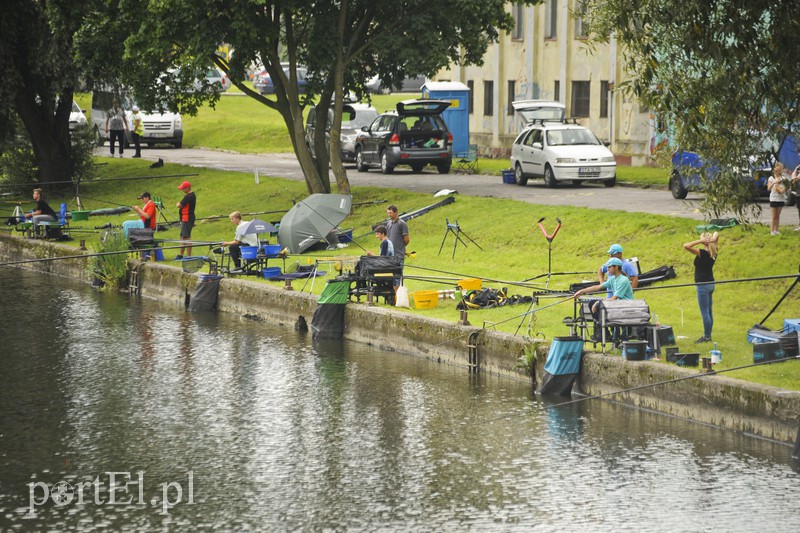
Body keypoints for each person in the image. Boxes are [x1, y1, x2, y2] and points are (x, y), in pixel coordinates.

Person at [574, 257, 634, 341]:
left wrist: (599, 302)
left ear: (616, 267)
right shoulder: (613, 279)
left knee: (598, 304)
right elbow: (598, 287)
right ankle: (603, 331)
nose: (607, 269)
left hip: (624, 306)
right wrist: (581, 291)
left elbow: (614, 298)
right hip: (616, 305)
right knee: (592, 302)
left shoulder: (623, 280)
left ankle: (611, 335)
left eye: (609, 267)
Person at [683, 231, 719, 344]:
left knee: (705, 312)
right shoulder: (715, 251)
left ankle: (707, 337)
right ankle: (708, 335)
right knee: (709, 311)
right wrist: (713, 238)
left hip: (702, 286)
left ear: (704, 241)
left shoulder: (702, 253)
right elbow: (717, 232)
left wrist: (700, 241)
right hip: (710, 284)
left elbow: (686, 246)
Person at [385, 205, 409, 292]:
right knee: (391, 276)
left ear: (396, 212)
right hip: (390, 256)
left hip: (399, 255)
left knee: (398, 276)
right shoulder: (388, 224)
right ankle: (393, 294)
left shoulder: (401, 223)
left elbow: (406, 239)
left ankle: (398, 295)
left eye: (390, 213)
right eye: (388, 213)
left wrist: (401, 247)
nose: (389, 215)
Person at [767, 162, 793, 235]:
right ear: (774, 170)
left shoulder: (784, 179)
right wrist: (774, 182)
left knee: (778, 215)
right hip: (773, 198)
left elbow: (788, 187)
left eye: (780, 170)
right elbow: (768, 188)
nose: (778, 172)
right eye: (777, 170)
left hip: (781, 198)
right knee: (773, 216)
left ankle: (776, 230)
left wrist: (784, 190)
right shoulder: (771, 178)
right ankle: (772, 231)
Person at [175, 181, 196, 259]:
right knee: (182, 237)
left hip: (187, 218)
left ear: (187, 188)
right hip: (185, 218)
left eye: (183, 188)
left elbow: (179, 205)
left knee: (186, 237)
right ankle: (180, 255)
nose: (182, 190)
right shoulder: (188, 196)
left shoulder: (189, 196)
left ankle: (188, 256)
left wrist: (178, 204)